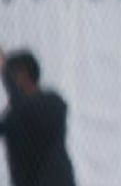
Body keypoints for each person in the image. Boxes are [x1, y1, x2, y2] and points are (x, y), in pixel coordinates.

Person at [0, 48, 76, 186]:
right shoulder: (14, 116)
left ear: (23, 75)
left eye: (11, 75)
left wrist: (6, 72)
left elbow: (27, 110)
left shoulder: (51, 102)